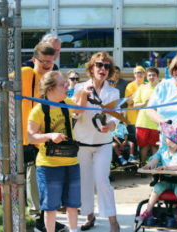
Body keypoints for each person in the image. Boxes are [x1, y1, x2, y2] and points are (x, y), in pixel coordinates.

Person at [11, 42, 67, 231]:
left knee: (49, 182)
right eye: (43, 62)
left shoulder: (50, 79)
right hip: (28, 139)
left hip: (47, 138)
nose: (46, 66)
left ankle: (45, 220)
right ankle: (36, 220)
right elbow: (3, 84)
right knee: (36, 181)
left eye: (50, 62)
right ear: (34, 60)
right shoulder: (27, 74)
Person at [28, 71, 83, 232]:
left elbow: (82, 109)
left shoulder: (67, 103)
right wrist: (50, 136)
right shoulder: (38, 110)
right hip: (48, 165)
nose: (67, 86)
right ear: (50, 88)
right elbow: (31, 137)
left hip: (71, 162)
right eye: (63, 84)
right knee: (50, 206)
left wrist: (85, 92)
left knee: (72, 204)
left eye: (67, 83)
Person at [72, 51, 120, 232]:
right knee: (84, 181)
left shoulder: (114, 91)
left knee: (102, 181)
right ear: (91, 68)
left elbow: (116, 117)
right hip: (82, 143)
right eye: (99, 65)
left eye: (107, 66)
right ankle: (89, 215)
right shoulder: (80, 88)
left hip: (103, 144)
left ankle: (113, 221)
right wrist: (83, 94)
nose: (103, 69)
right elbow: (77, 113)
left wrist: (111, 126)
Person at [138, 120, 177, 229]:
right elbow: (154, 160)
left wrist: (166, 167)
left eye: (168, 136)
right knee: (157, 187)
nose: (165, 137)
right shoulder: (163, 151)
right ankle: (148, 211)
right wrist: (148, 166)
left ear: (175, 141)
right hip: (167, 180)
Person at [134, 67, 160, 166]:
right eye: (149, 75)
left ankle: (154, 167)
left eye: (153, 75)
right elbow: (135, 105)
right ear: (146, 77)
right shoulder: (142, 88)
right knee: (143, 146)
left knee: (155, 146)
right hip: (143, 122)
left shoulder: (161, 88)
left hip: (156, 122)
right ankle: (143, 165)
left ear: (157, 76)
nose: (151, 77)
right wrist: (144, 103)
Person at [125, 66, 146, 146]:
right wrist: (139, 90)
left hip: (145, 118)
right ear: (134, 75)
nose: (139, 74)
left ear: (145, 74)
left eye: (141, 72)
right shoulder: (130, 86)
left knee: (143, 140)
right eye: (137, 72)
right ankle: (133, 157)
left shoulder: (147, 85)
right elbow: (128, 102)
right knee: (134, 140)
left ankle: (142, 157)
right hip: (133, 118)